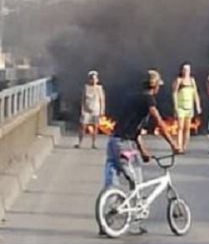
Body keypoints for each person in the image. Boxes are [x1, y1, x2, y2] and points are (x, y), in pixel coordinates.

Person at [101, 70, 180, 234]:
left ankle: (105, 220)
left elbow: (133, 128)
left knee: (112, 183)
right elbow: (158, 121)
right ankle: (134, 223)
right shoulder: (148, 99)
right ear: (155, 86)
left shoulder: (132, 98)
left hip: (113, 142)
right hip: (125, 145)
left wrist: (143, 151)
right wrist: (173, 144)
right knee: (137, 181)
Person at [172, 63, 200, 154]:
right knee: (180, 127)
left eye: (188, 69)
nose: (186, 71)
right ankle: (179, 146)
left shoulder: (192, 81)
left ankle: (184, 147)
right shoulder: (179, 80)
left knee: (187, 128)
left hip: (189, 107)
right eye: (184, 69)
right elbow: (174, 93)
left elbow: (195, 93)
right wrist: (175, 106)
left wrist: (198, 106)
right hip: (181, 107)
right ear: (181, 70)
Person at [77, 70, 106, 149]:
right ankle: (80, 143)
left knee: (95, 127)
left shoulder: (99, 88)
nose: (93, 80)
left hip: (96, 110)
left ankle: (94, 143)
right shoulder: (86, 88)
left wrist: (102, 111)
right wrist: (82, 110)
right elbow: (83, 100)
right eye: (92, 79)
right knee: (83, 126)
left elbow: (102, 100)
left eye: (95, 79)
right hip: (86, 110)